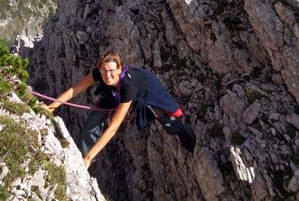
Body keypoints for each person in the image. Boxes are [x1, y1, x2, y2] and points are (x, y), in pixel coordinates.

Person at [46, 50, 196, 168]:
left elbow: (113, 128)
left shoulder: (129, 86)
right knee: (93, 121)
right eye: (104, 71)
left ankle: (184, 136)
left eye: (111, 70)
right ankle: (84, 160)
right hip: (116, 92)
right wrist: (51, 107)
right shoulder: (100, 73)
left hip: (148, 92)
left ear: (120, 69)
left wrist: (89, 158)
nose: (107, 75)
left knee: (166, 117)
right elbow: (75, 89)